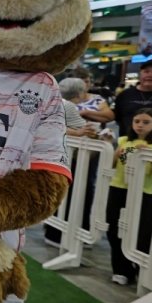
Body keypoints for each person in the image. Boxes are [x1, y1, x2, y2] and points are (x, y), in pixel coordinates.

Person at [43, 78, 98, 247]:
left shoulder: (55, 103)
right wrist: (88, 133)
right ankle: (60, 236)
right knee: (75, 197)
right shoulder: (68, 106)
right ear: (80, 93)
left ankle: (54, 233)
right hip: (71, 160)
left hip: (58, 158)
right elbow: (86, 131)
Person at [105, 108, 152, 285]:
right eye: (137, 121)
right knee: (114, 228)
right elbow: (112, 165)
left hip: (143, 192)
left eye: (146, 122)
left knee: (142, 232)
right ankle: (121, 270)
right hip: (118, 188)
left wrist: (149, 156)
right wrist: (115, 153)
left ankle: (141, 270)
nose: (140, 125)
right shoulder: (124, 140)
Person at [113, 59, 152, 137]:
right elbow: (117, 117)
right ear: (140, 74)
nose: (150, 75)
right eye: (146, 71)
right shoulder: (125, 94)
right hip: (128, 142)